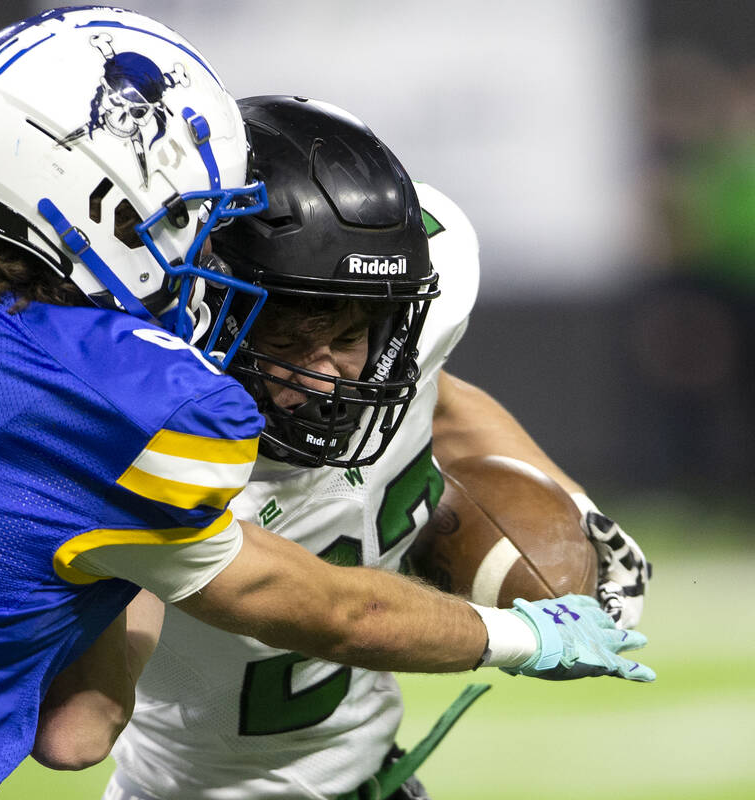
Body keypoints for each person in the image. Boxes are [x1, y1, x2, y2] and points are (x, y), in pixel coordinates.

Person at [0, 11, 650, 800]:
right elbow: (151, 686)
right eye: (179, 209)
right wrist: (522, 635)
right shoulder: (122, 393)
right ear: (86, 201)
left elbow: (440, 394)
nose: (192, 240)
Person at [103, 96, 653, 800]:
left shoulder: (407, 326)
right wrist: (526, 635)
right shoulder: (162, 452)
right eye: (291, 342)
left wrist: (573, 507)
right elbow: (342, 612)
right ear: (210, 311)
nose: (329, 374)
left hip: (379, 781)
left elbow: (442, 395)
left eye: (348, 337)